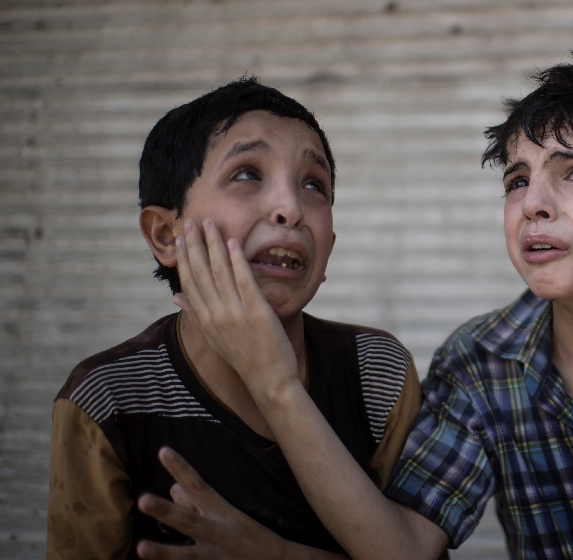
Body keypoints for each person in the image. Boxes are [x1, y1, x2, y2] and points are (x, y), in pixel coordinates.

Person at [136, 56, 573, 559]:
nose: (533, 203)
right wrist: (274, 381)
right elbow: (406, 547)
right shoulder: (480, 368)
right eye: (517, 180)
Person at [46, 78, 423, 559]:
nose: (290, 208)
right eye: (247, 174)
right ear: (165, 234)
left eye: (314, 184)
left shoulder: (376, 372)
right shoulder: (108, 398)